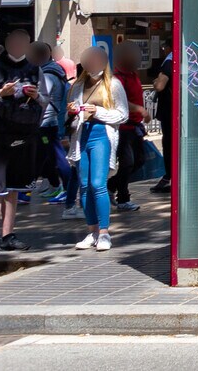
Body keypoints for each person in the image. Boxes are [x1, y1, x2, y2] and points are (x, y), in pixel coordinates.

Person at [0, 28, 44, 259]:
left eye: (22, 42)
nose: (17, 46)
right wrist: (0, 93)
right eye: (13, 42)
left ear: (28, 45)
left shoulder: (36, 69)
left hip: (24, 134)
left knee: (14, 187)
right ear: (6, 44)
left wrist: (36, 96)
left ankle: (8, 235)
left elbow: (46, 101)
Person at [68, 45, 128, 252]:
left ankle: (104, 233)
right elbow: (72, 114)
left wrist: (98, 112)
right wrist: (73, 112)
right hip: (81, 135)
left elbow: (123, 114)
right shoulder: (78, 85)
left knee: (97, 184)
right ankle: (92, 231)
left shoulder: (113, 84)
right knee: (84, 185)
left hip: (102, 135)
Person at [110, 43, 146, 212]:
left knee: (139, 161)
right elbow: (120, 101)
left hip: (135, 127)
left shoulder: (134, 75)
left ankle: (111, 184)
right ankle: (123, 198)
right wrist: (139, 109)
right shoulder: (117, 79)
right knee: (127, 163)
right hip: (123, 128)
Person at [39, 44, 77, 206]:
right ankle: (56, 185)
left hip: (47, 122)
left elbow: (42, 99)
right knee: (48, 155)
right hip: (52, 122)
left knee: (56, 155)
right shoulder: (56, 72)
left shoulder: (47, 75)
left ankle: (67, 189)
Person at [149, 45, 175, 193]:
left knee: (169, 144)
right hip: (177, 111)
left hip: (169, 112)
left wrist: (155, 82)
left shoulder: (169, 62)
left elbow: (159, 85)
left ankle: (168, 177)